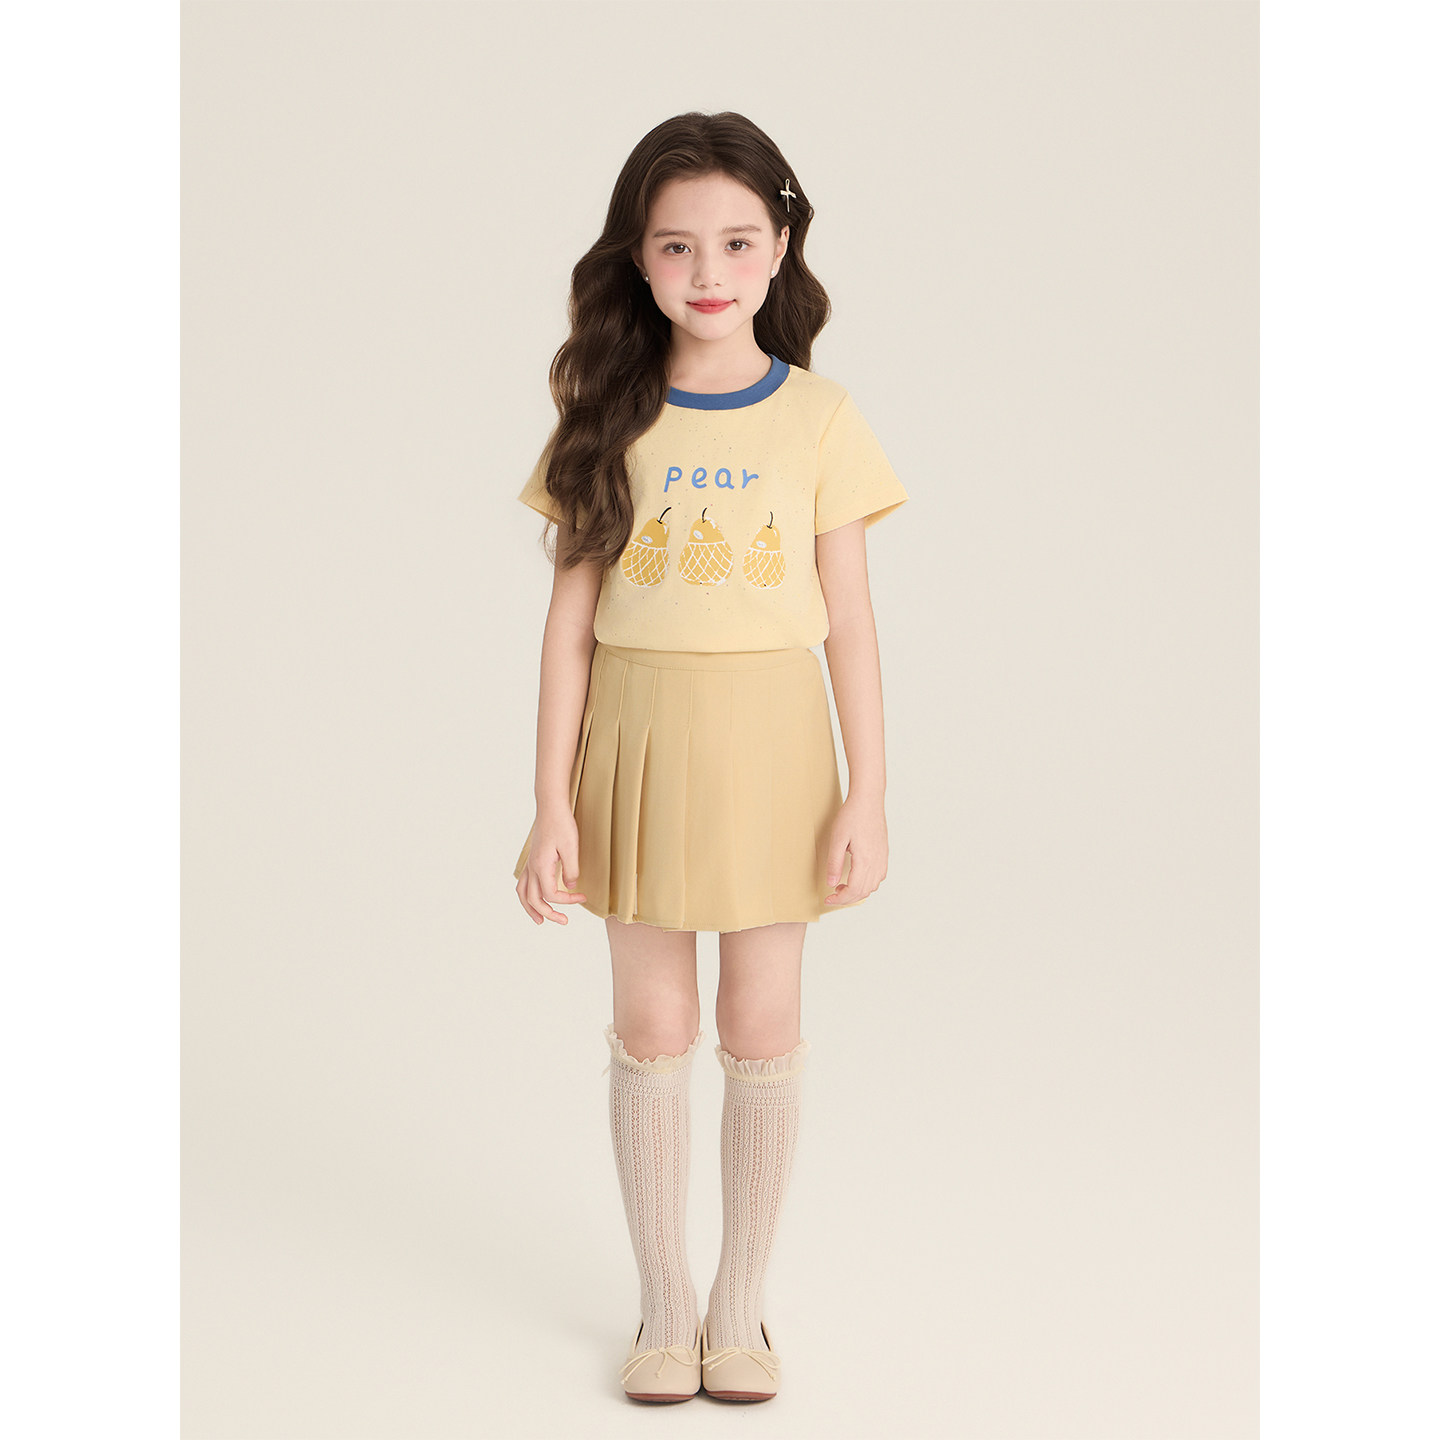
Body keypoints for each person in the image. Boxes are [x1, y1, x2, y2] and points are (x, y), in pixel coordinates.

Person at [511, 111, 909, 1404]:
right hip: (635, 736)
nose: (708, 270)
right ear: (637, 257)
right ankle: (664, 1303)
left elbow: (853, 621)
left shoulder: (822, 416)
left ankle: (741, 1306)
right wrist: (549, 803)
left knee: (761, 1021)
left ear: (781, 246)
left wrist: (869, 792)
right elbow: (569, 627)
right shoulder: (603, 416)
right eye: (676, 244)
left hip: (774, 741)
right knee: (653, 1023)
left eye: (738, 241)